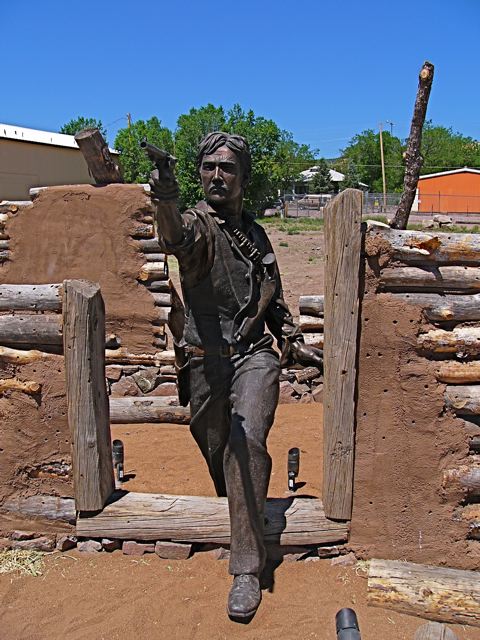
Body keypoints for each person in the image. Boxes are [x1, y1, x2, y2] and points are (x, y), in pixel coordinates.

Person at [149, 132, 323, 620]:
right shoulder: (198, 227)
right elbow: (175, 239)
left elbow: (274, 298)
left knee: (246, 441)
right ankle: (239, 514)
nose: (216, 176)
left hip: (253, 355)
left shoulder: (256, 234)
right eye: (207, 168)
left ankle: (247, 568)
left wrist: (293, 342)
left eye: (226, 168)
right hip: (205, 361)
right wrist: (166, 193)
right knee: (216, 445)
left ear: (244, 178)